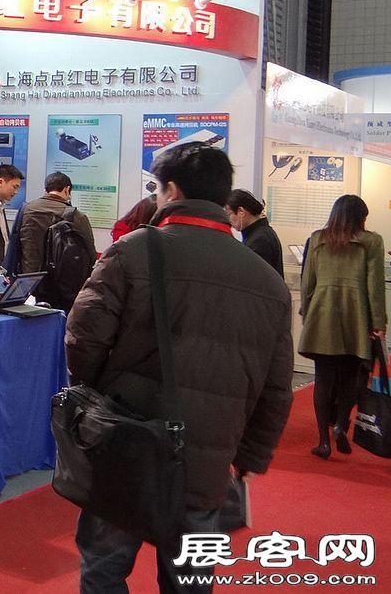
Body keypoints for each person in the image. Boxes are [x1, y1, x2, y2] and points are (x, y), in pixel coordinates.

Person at [66, 143, 293, 593]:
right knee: (190, 580)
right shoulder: (268, 281)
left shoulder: (134, 251)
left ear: (171, 190)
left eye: (156, 188)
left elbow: (82, 338)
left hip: (126, 442)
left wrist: (94, 398)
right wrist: (251, 457)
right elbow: (276, 387)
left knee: (104, 570)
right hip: (208, 462)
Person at [298, 194, 387, 460]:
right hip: (355, 315)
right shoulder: (371, 241)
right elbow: (375, 286)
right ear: (361, 217)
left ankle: (323, 441)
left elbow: (307, 282)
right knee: (351, 376)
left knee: (323, 378)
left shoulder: (317, 238)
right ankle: (339, 425)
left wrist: (307, 313)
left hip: (322, 312)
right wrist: (378, 321)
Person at [17, 172, 96, 275]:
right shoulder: (77, 216)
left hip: (29, 276)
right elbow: (91, 254)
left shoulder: (27, 210)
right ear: (67, 189)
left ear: (45, 190)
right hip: (62, 279)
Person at [225, 189, 284, 276]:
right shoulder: (259, 233)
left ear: (241, 211)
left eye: (229, 214)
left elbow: (254, 277)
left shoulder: (260, 240)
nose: (228, 220)